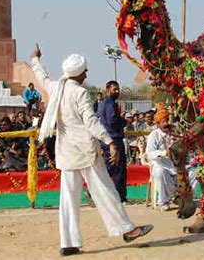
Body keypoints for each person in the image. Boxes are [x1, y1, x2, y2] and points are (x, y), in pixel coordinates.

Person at [30, 45, 153, 256]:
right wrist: (110, 142)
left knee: (68, 200)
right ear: (78, 74)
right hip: (86, 152)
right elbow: (91, 122)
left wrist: (35, 60)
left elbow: (42, 77)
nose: (86, 74)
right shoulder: (80, 93)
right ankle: (128, 229)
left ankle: (68, 243)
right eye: (84, 72)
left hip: (67, 154)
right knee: (106, 191)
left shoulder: (55, 88)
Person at [146, 107, 197, 210]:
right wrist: (164, 153)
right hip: (162, 165)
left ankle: (186, 198)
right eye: (163, 121)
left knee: (195, 171)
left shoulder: (176, 132)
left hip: (178, 165)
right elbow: (149, 154)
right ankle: (164, 201)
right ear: (158, 123)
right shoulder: (154, 135)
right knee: (160, 171)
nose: (166, 124)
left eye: (167, 120)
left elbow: (186, 148)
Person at [99, 80, 128, 203]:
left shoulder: (104, 103)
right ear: (108, 90)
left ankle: (97, 191)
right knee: (118, 168)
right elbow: (112, 121)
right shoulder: (110, 103)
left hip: (106, 138)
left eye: (118, 89)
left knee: (110, 166)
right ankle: (119, 196)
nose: (117, 91)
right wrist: (124, 121)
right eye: (114, 89)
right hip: (114, 139)